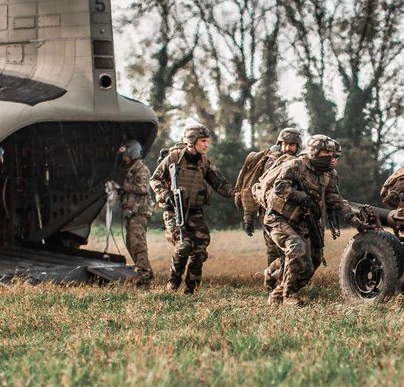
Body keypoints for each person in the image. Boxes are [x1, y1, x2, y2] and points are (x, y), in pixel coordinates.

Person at [257, 135, 356, 307]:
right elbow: (280, 188)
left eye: (334, 155)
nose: (332, 158)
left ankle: (275, 282)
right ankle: (288, 295)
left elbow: (332, 196)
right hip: (279, 217)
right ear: (315, 153)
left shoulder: (329, 174)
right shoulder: (296, 165)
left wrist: (349, 215)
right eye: (327, 153)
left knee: (312, 262)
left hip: (304, 222)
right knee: (297, 249)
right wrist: (303, 198)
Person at [150, 124, 234, 294]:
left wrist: (235, 194)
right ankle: (173, 280)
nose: (206, 145)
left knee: (200, 248)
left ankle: (191, 288)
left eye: (207, 141)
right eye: (203, 141)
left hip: (195, 212)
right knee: (184, 246)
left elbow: (220, 184)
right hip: (174, 211)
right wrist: (166, 194)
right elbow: (155, 180)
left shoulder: (205, 162)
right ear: (192, 141)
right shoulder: (174, 158)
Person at [234, 128, 302, 290]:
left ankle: (276, 280)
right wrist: (248, 216)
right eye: (285, 144)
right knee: (274, 250)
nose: (288, 148)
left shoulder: (298, 163)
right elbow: (253, 189)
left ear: (297, 146)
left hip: (290, 214)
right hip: (270, 213)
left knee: (288, 250)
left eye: (292, 145)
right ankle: (273, 284)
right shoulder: (271, 162)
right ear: (280, 144)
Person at [118, 139, 154, 287]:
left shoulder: (141, 169)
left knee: (138, 245)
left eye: (125, 153)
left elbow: (143, 189)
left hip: (139, 213)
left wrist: (123, 185)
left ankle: (145, 277)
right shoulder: (130, 168)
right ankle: (145, 272)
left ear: (132, 152)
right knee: (130, 244)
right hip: (131, 213)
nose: (123, 156)